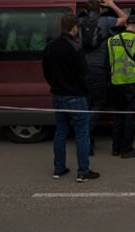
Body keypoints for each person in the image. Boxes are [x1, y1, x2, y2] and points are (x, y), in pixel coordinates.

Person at [42, 14, 99, 183]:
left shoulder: (50, 46)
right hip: (76, 96)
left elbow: (46, 71)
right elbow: (84, 74)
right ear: (74, 28)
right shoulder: (76, 48)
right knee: (82, 134)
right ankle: (83, 171)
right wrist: (89, 92)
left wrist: (55, 85)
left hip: (58, 95)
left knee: (61, 132)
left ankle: (59, 168)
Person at [79, 0, 128, 154]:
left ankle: (88, 144)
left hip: (82, 69)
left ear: (86, 10)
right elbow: (125, 18)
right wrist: (112, 4)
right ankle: (85, 133)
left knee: (87, 106)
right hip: (99, 69)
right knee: (98, 104)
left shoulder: (78, 23)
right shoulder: (106, 21)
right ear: (100, 9)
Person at [107, 11, 135, 159]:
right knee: (129, 117)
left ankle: (116, 148)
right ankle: (127, 149)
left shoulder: (111, 40)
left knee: (118, 116)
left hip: (115, 82)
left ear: (126, 24)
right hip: (132, 83)